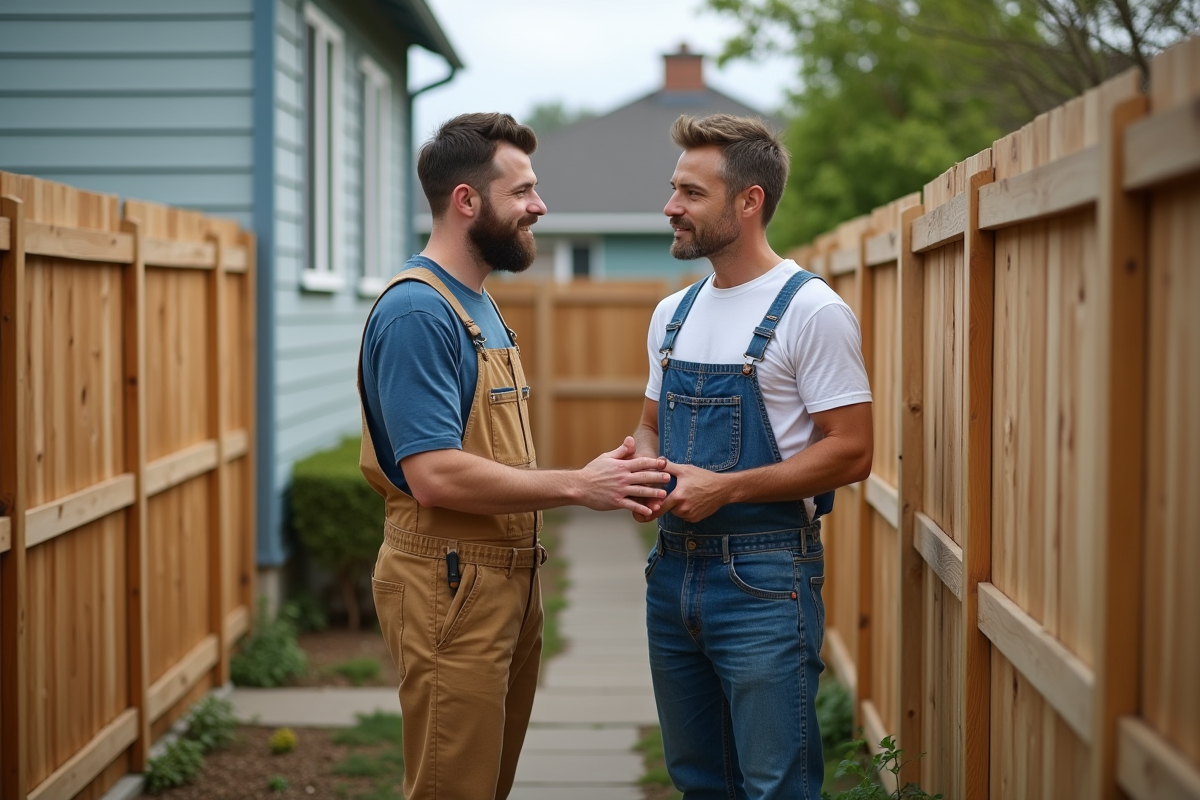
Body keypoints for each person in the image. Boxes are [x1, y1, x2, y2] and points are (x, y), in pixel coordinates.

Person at [357, 112, 670, 800]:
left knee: (485, 784)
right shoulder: (419, 313)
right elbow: (433, 474)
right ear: (467, 201)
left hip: (500, 583)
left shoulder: (477, 306)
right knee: (452, 786)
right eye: (523, 190)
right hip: (449, 586)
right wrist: (578, 487)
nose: (540, 205)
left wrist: (604, 476)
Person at [632, 113, 874, 800]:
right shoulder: (671, 315)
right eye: (673, 188)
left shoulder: (812, 312)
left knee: (775, 787)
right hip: (672, 573)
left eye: (690, 193)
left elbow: (853, 451)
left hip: (765, 581)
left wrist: (726, 489)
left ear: (749, 201)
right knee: (698, 780)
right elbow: (647, 426)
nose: (671, 207)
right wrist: (644, 466)